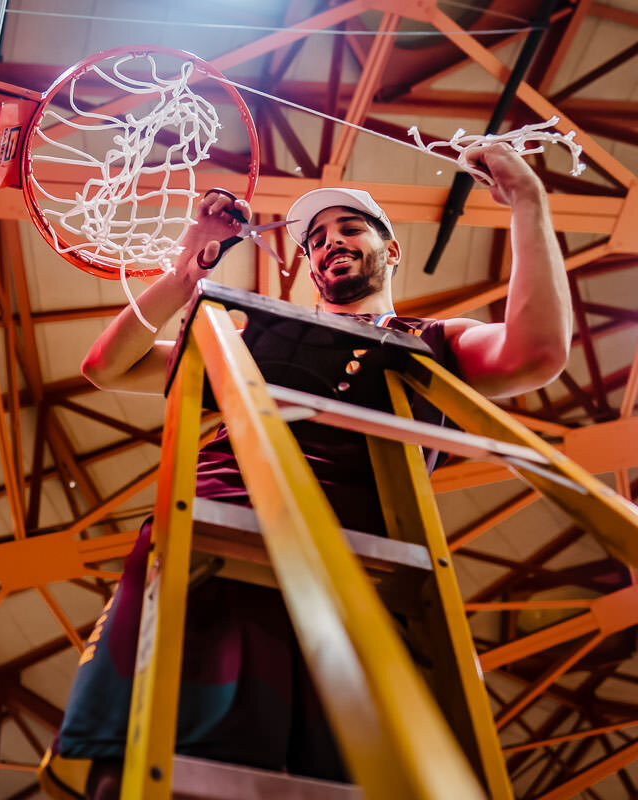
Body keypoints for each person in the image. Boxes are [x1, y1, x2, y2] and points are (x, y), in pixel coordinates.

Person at [39, 143, 571, 799]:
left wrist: (529, 200)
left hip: (357, 582)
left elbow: (535, 354)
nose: (329, 243)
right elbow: (105, 368)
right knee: (153, 759)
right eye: (316, 239)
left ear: (391, 250)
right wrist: (187, 271)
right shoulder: (255, 339)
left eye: (349, 228)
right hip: (216, 541)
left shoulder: (432, 340)